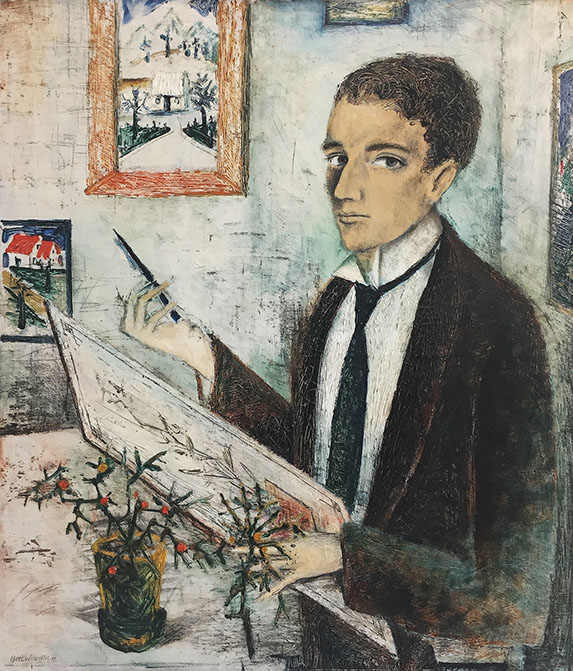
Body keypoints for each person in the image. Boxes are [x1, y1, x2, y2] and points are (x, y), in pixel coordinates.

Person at [123, 54, 555, 655]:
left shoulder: (496, 321)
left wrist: (343, 556)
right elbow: (312, 456)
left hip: (425, 653)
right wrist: (201, 354)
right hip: (323, 628)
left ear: (439, 178)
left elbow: (515, 596)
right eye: (337, 157)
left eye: (386, 159)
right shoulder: (335, 299)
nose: (345, 188)